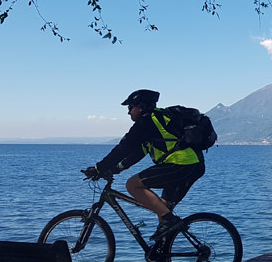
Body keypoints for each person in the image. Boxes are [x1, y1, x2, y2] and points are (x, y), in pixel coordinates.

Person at [83, 89, 205, 246]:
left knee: (132, 185)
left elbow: (123, 148)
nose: (128, 112)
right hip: (193, 165)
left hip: (182, 164)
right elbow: (138, 152)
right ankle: (161, 257)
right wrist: (116, 169)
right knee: (162, 207)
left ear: (140, 107)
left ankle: (170, 221)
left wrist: (99, 168)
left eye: (130, 107)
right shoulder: (157, 121)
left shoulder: (146, 122)